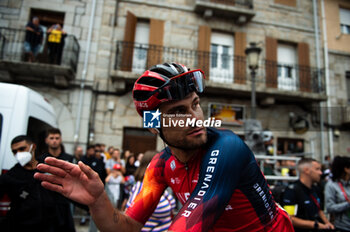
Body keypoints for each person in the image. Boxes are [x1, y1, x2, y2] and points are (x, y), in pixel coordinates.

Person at [35, 62, 294, 231]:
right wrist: (98, 202)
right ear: (153, 125)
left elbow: (191, 223)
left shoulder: (227, 147)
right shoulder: (160, 165)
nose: (195, 117)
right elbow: (127, 227)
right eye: (179, 111)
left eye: (195, 104)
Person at [0, 135, 75, 231]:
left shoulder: (48, 168)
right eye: (15, 151)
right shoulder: (10, 176)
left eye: (22, 149)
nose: (19, 153)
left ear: (33, 147)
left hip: (52, 225)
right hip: (24, 226)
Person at [126, 150, 176, 231]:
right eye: (162, 163)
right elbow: (130, 219)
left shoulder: (157, 185)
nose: (165, 166)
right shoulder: (142, 188)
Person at [282, 158, 334, 231]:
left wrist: (327, 224)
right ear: (306, 170)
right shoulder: (292, 190)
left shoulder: (316, 189)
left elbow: (319, 210)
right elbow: (290, 217)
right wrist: (315, 225)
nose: (320, 173)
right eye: (317, 169)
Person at [325, 156, 350, 232]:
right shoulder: (331, 185)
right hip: (342, 227)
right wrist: (347, 204)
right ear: (346, 169)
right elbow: (329, 207)